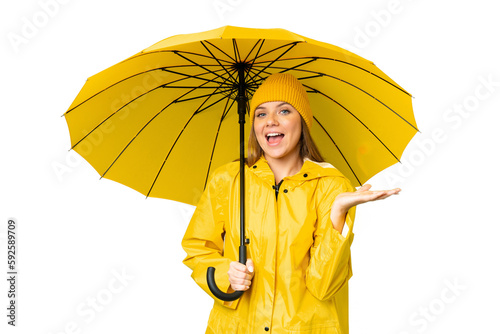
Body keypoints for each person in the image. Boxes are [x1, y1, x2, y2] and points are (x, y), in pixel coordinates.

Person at [182, 73, 400, 333]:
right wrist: (224, 273)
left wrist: (338, 212)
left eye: (284, 111)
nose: (270, 121)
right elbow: (198, 250)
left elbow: (324, 286)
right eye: (261, 114)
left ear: (303, 121)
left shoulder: (331, 185)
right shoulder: (227, 180)